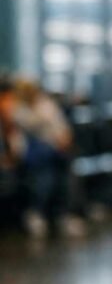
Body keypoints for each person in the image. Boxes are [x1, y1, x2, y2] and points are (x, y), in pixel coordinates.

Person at [9, 78, 85, 238]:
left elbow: (61, 127)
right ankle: (37, 213)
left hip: (57, 151)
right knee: (45, 180)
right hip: (37, 155)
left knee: (67, 179)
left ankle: (66, 214)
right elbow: (34, 128)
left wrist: (63, 139)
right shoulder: (19, 110)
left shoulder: (46, 105)